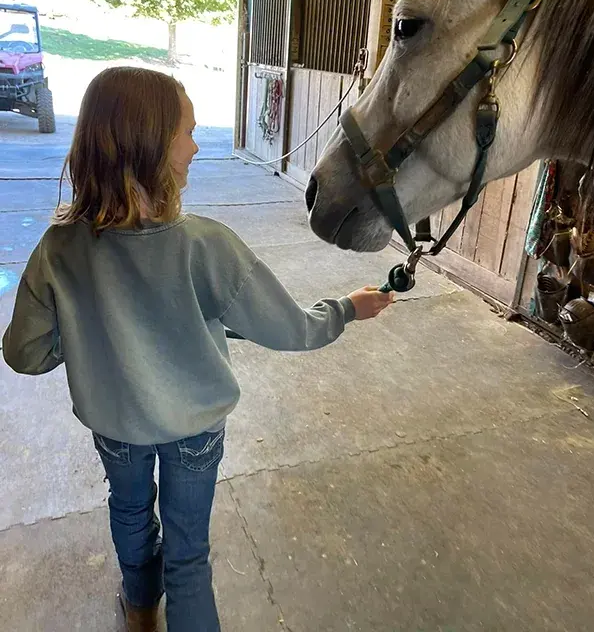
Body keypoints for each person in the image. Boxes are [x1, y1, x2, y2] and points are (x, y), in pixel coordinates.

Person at [2, 67, 394, 632]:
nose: (196, 143)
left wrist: (88, 332)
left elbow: (25, 355)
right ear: (151, 145)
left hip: (116, 430)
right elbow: (290, 329)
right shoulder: (207, 247)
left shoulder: (58, 248)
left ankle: (140, 611)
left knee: (130, 513)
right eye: (186, 131)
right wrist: (346, 309)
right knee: (189, 554)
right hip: (194, 433)